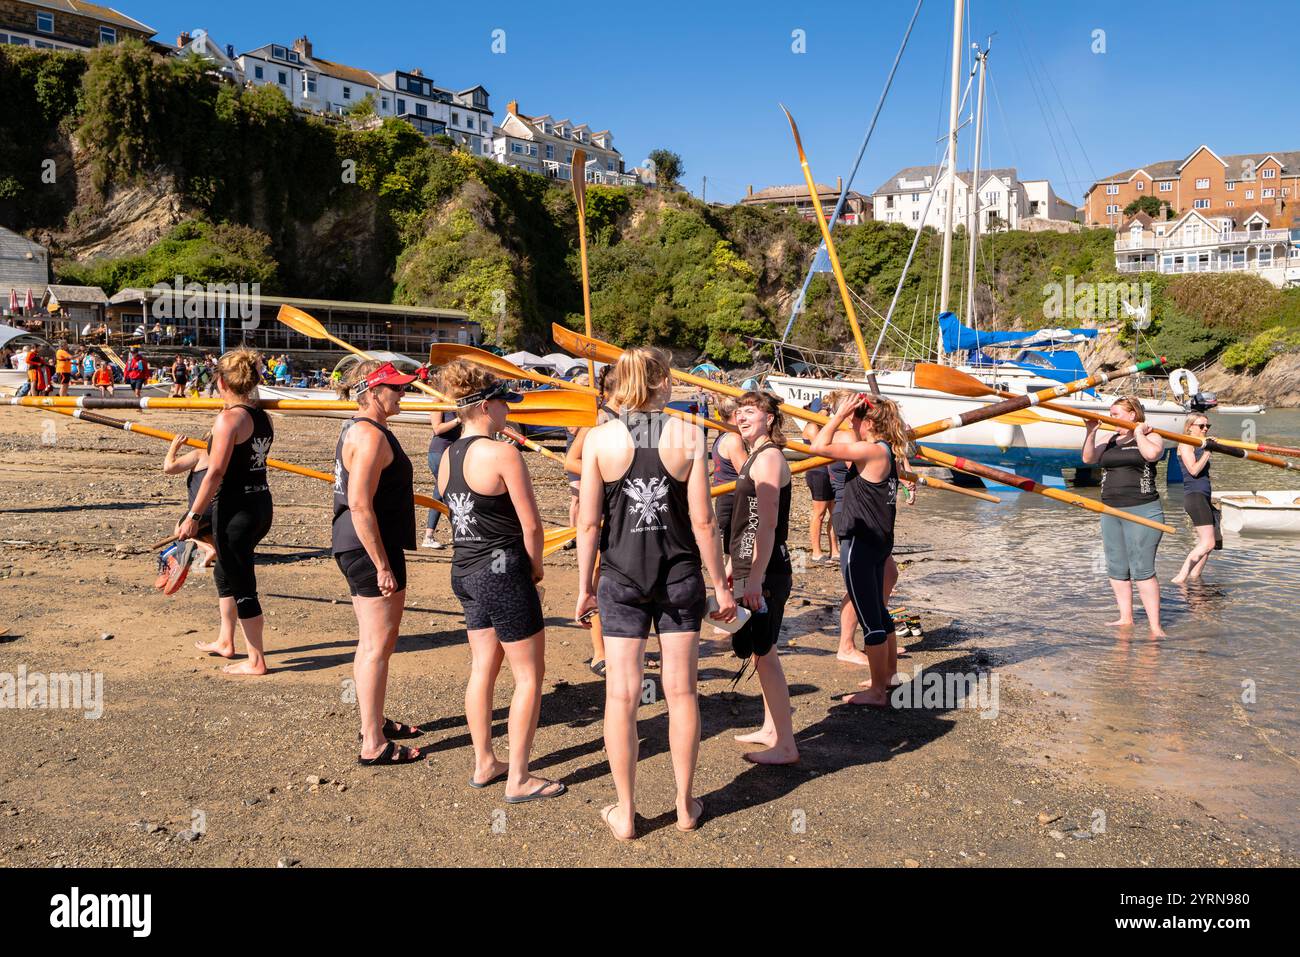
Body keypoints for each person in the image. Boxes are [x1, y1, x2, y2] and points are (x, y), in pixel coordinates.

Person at [575, 347, 736, 840]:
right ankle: (685, 805)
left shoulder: (599, 439)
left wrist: (584, 588)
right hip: (679, 575)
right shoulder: (690, 434)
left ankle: (625, 812)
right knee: (681, 692)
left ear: (620, 384)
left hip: (621, 577)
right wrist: (721, 585)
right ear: (661, 382)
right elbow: (704, 522)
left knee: (621, 695)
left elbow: (587, 522)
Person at [438, 360, 566, 802]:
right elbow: (532, 526)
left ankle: (485, 762)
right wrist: (535, 569)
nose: (508, 413)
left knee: (482, 669)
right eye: (504, 405)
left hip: (465, 570)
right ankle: (519, 778)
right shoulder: (503, 452)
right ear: (487, 407)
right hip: (502, 570)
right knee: (529, 676)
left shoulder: (447, 454)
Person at [332, 360, 426, 766]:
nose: (403, 394)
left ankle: (375, 720)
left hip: (360, 547)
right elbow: (358, 504)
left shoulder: (361, 429)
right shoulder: (369, 437)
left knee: (375, 644)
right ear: (372, 392)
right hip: (370, 550)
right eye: (397, 389)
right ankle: (372, 743)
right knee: (376, 646)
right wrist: (382, 565)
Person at [178, 348, 276, 674]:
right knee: (224, 571)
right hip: (261, 504)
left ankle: (257, 661)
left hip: (235, 511)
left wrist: (193, 517)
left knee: (242, 582)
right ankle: (225, 640)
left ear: (221, 381)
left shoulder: (229, 419)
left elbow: (216, 472)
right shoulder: (262, 415)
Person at [810, 393, 911, 706]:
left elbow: (818, 446)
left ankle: (877, 692)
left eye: (856, 420)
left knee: (870, 619)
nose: (851, 424)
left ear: (868, 422)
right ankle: (888, 677)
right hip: (879, 542)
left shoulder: (870, 450)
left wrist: (838, 414)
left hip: (860, 545)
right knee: (880, 613)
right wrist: (850, 420)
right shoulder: (886, 451)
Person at [727, 391, 799, 765]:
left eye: (750, 412)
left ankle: (786, 746)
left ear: (770, 418)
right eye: (739, 412)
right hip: (750, 566)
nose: (741, 418)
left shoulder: (769, 458)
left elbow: (768, 524)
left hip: (767, 570)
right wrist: (733, 565)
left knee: (765, 652)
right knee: (761, 650)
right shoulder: (754, 456)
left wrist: (754, 578)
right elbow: (747, 521)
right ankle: (772, 729)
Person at [1080, 397, 1166, 637]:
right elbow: (1088, 459)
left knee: (1143, 568)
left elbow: (1151, 455)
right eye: (1111, 414)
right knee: (1116, 566)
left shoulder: (1153, 436)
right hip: (1110, 510)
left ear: (1132, 415)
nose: (1112, 417)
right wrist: (1090, 432)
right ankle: (1126, 618)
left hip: (1144, 509)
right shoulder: (1110, 440)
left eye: (1116, 414)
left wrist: (1138, 432)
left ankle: (1155, 627)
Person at [563, 365, 618, 676]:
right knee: (598, 577)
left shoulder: (630, 420)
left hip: (620, 511)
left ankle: (618, 648)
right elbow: (571, 460)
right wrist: (605, 474)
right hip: (599, 510)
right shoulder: (598, 419)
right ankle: (600, 653)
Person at [162, 432, 217, 568]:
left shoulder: (200, 453)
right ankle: (207, 555)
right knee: (204, 534)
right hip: (223, 510)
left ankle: (208, 551)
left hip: (202, 510)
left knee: (180, 530)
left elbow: (169, 468)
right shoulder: (229, 456)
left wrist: (174, 447)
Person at [1173, 414, 1216, 584]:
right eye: (1201, 426)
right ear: (1190, 426)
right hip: (1195, 496)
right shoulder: (1185, 443)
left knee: (1211, 542)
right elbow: (1193, 470)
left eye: (1207, 426)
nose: (1205, 429)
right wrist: (1208, 451)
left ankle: (1195, 578)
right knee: (1208, 542)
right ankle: (1180, 578)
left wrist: (1209, 446)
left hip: (1204, 497)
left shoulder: (1201, 443)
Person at [422, 376, 463, 550]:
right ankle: (459, 535)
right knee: (447, 493)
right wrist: (457, 420)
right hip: (439, 452)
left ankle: (430, 535)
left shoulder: (456, 401)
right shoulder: (438, 399)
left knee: (441, 493)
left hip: (451, 452)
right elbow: (437, 428)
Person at [710, 397, 746, 562]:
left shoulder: (722, 436)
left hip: (724, 497)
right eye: (743, 412)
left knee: (730, 549)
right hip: (734, 499)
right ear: (735, 413)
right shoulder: (733, 438)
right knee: (736, 550)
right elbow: (746, 474)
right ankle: (731, 585)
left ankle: (728, 583)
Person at [801, 409, 838, 565]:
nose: (828, 413)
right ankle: (816, 552)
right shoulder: (811, 427)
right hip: (818, 472)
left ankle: (834, 550)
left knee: (835, 513)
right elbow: (823, 446)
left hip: (831, 470)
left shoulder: (826, 426)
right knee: (820, 513)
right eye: (825, 410)